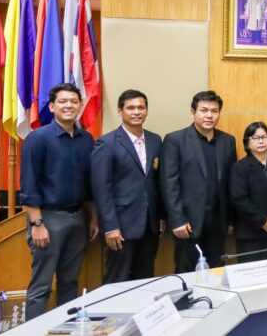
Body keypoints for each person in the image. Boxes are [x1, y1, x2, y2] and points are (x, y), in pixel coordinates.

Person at [20, 83, 99, 320]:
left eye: (74, 101)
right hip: (48, 219)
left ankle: (66, 329)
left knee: (70, 282)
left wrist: (93, 217)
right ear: (52, 107)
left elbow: (89, 184)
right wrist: (37, 224)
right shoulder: (38, 138)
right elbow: (28, 184)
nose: (69, 106)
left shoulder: (87, 139)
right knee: (42, 285)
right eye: (63, 102)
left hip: (79, 218)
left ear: (80, 105)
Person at [91, 89, 164, 284]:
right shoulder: (106, 143)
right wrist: (110, 227)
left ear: (147, 110)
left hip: (149, 226)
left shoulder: (155, 140)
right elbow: (101, 189)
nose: (136, 112)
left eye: (141, 107)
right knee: (117, 280)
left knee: (144, 280)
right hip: (121, 227)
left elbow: (157, 182)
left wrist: (161, 216)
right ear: (120, 111)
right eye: (130, 108)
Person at [161, 90, 237, 273]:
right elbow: (169, 183)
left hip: (218, 220)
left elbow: (231, 183)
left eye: (214, 111)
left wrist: (231, 220)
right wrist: (177, 220)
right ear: (192, 112)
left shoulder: (227, 141)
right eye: (204, 110)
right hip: (188, 222)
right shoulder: (175, 140)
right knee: (186, 271)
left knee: (217, 271)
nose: (209, 115)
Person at [230, 122, 267, 263]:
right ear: (247, 142)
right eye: (255, 138)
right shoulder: (240, 167)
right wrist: (263, 221)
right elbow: (239, 199)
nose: (261, 141)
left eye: (264, 137)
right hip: (251, 234)